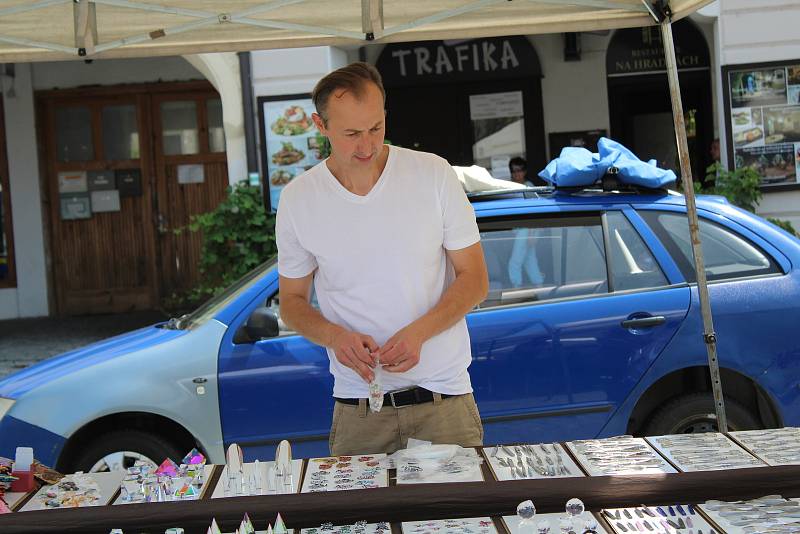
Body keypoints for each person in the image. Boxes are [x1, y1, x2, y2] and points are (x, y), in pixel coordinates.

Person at [275, 62, 489, 456]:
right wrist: (335, 337)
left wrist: (421, 332)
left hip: (444, 401)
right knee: (358, 520)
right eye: (351, 134)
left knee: (459, 517)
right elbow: (291, 303)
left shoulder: (433, 174)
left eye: (376, 128)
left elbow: (475, 278)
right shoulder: (299, 199)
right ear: (320, 126)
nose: (367, 146)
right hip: (359, 410)